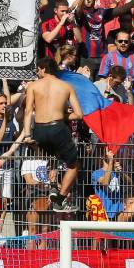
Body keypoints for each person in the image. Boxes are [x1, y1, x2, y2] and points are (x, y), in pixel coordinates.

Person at [23, 58, 83, 212]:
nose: (37, 73)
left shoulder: (33, 86)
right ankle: (60, 200)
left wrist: (28, 134)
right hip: (57, 127)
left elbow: (28, 111)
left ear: (43, 69)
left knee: (52, 157)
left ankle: (54, 187)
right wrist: (62, 115)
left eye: (38, 70)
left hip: (39, 129)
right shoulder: (66, 86)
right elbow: (78, 114)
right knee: (74, 164)